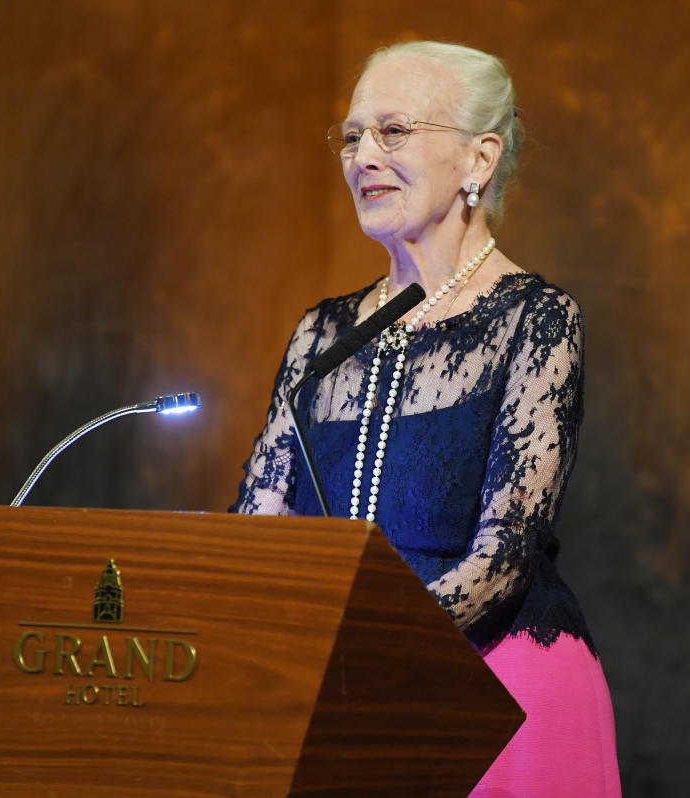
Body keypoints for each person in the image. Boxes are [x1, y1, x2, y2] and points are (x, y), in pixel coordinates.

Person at [230, 41, 621, 796]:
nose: (362, 157)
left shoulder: (535, 321)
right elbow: (257, 532)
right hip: (330, 699)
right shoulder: (321, 334)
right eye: (352, 137)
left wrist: (358, 652)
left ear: (479, 160)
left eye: (394, 131)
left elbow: (504, 555)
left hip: (498, 698)